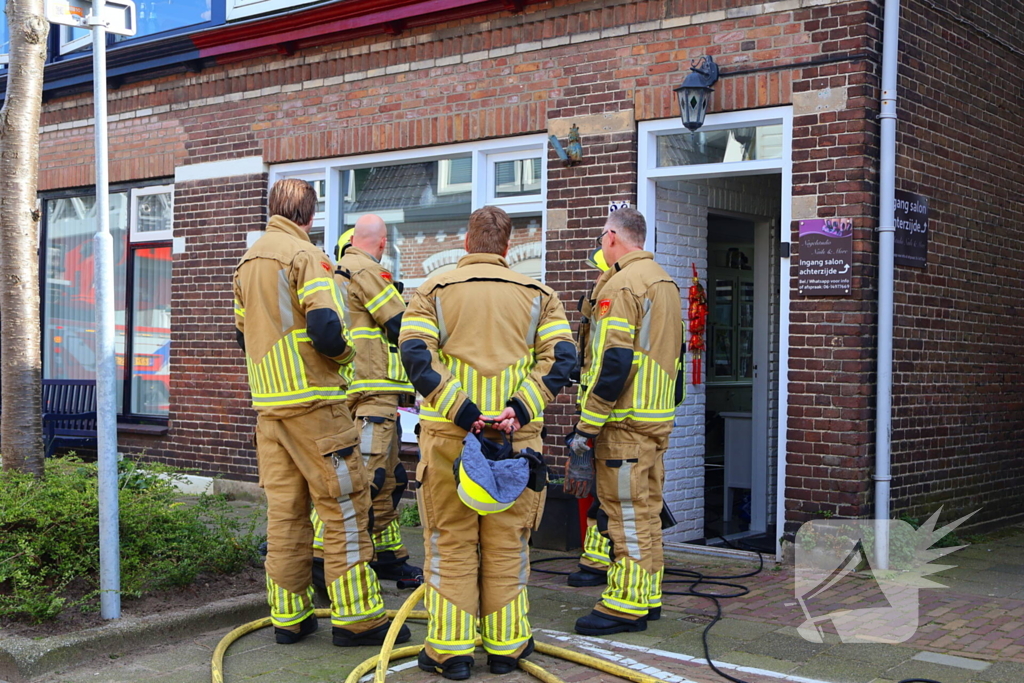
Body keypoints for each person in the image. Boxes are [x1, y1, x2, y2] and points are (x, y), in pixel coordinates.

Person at [400, 206, 576, 680]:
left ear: (466, 244)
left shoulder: (430, 293)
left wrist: (463, 411)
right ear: (505, 248)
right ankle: (507, 647)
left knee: (450, 540)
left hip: (449, 442)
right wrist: (517, 409)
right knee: (508, 544)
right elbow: (562, 359)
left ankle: (451, 653)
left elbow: (416, 354)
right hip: (516, 444)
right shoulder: (541, 296)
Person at [233, 179, 409, 647]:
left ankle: (290, 618)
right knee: (345, 507)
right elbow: (327, 327)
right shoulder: (305, 255)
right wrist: (345, 359)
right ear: (310, 216)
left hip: (269, 411)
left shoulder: (247, 261)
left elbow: (240, 335)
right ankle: (358, 619)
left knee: (286, 514)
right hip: (314, 404)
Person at [564, 207, 685, 636]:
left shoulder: (621, 284)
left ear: (612, 236)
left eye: (602, 237)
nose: (601, 244)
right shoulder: (664, 282)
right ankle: (647, 595)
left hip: (625, 424)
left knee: (624, 516)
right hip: (654, 421)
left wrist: (587, 425)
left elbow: (614, 361)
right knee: (647, 511)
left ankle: (625, 604)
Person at [333, 214, 422, 584]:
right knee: (368, 478)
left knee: (389, 479)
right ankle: (331, 553)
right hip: (371, 392)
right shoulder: (367, 271)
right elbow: (402, 324)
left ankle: (388, 555)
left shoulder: (339, 271)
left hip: (366, 391)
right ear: (382, 243)